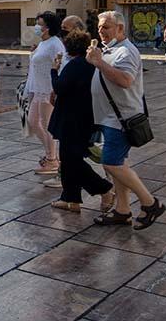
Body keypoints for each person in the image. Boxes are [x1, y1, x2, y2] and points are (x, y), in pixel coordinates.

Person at [88, 10, 166, 229]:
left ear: (120, 28)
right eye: (100, 27)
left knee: (111, 163)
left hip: (121, 118)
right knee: (119, 163)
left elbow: (125, 80)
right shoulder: (109, 49)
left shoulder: (127, 51)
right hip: (109, 117)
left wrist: (98, 63)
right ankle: (123, 210)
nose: (101, 31)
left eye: (106, 27)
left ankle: (150, 203)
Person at [48, 28, 113, 212]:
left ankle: (104, 189)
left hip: (72, 119)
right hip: (84, 117)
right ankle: (71, 198)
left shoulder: (76, 64)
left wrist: (54, 71)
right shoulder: (90, 64)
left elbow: (60, 87)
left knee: (72, 161)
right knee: (69, 160)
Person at [26, 12, 64, 175]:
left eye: (39, 23)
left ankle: (52, 159)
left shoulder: (55, 44)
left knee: (47, 124)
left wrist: (56, 89)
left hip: (48, 90)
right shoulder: (43, 42)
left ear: (47, 27)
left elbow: (61, 66)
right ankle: (51, 155)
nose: (36, 26)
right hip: (38, 88)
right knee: (32, 122)